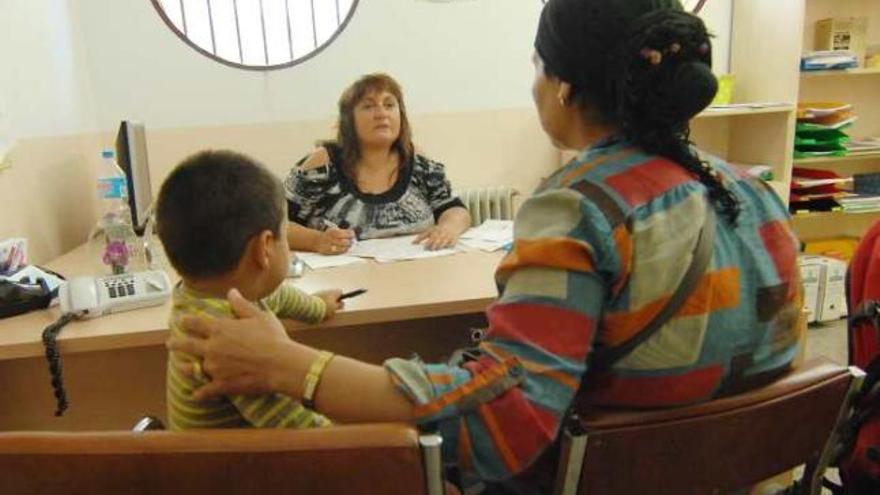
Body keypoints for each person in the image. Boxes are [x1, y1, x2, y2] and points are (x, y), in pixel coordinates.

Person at [168, 1, 804, 492]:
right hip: (744, 476)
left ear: (562, 87)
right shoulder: (755, 192)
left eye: (536, 67)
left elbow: (501, 431)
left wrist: (293, 368)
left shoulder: (577, 208)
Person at [155, 150, 343, 430]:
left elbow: (274, 296)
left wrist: (319, 307)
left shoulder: (201, 294)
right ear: (265, 247)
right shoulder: (235, 345)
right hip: (235, 471)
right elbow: (302, 433)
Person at [284, 73, 472, 254]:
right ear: (349, 120)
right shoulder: (322, 163)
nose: (381, 114)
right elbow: (275, 225)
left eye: (389, 105)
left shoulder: (416, 160)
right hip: (344, 280)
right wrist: (316, 241)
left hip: (417, 274)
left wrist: (448, 228)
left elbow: (454, 208)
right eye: (368, 106)